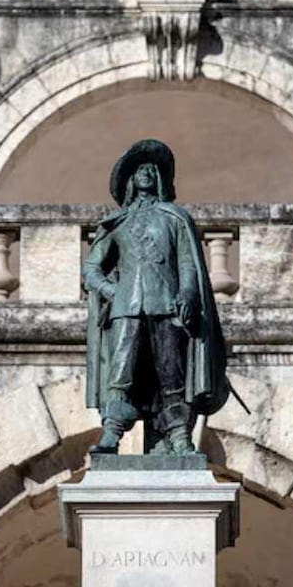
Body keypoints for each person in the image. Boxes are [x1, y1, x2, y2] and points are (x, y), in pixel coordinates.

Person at [82, 139, 228, 455]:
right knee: (120, 374)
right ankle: (111, 434)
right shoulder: (117, 223)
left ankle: (180, 437)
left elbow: (187, 263)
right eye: (139, 170)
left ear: (160, 178)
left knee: (171, 373)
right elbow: (92, 268)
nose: (146, 174)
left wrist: (187, 293)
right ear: (130, 181)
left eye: (151, 169)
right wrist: (110, 290)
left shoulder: (175, 218)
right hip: (126, 308)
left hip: (167, 306)